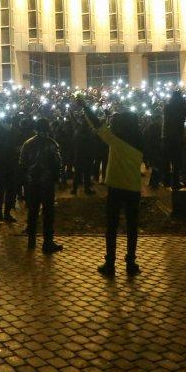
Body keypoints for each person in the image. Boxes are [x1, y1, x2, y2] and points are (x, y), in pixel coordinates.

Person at [80, 101, 145, 276]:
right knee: (132, 227)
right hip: (133, 188)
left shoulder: (116, 142)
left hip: (116, 187)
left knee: (111, 226)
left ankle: (110, 263)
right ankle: (131, 262)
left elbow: (97, 125)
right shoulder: (140, 142)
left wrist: (85, 106)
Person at [18, 117, 64, 253]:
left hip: (32, 182)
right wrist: (57, 178)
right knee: (48, 212)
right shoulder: (52, 143)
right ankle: (47, 242)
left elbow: (22, 163)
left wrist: (27, 178)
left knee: (32, 211)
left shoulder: (28, 143)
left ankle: (31, 241)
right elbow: (58, 163)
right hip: (47, 183)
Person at [162, 90, 186, 189]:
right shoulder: (181, 106)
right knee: (177, 160)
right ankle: (175, 182)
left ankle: (166, 181)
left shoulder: (167, 107)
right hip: (177, 136)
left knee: (166, 160)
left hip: (167, 135)